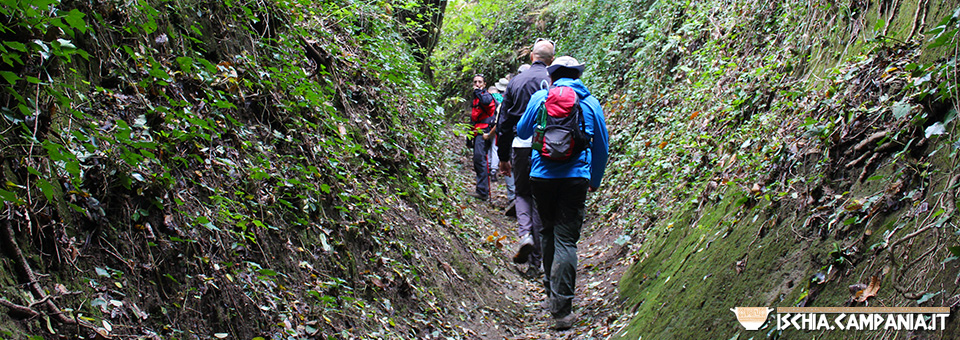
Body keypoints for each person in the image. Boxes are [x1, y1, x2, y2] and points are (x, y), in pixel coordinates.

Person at [516, 55, 608, 331]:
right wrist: (595, 179)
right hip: (575, 179)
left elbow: (521, 131)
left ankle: (549, 289)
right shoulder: (590, 103)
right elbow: (601, 146)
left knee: (547, 231)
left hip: (542, 176)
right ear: (578, 76)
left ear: (552, 75)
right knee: (566, 240)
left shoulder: (541, 98)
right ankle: (562, 309)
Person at [498, 39, 554, 278]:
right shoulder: (556, 81)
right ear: (551, 59)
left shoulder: (516, 82)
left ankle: (525, 235)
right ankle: (536, 263)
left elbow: (505, 123)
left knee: (522, 194)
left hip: (520, 146)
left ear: (532, 56)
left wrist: (502, 156)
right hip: (548, 148)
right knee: (540, 198)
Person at [467, 74, 496, 200]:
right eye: (475, 82)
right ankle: (481, 190)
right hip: (477, 130)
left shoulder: (486, 96)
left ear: (484, 84)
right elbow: (473, 118)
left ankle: (483, 191)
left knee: (480, 159)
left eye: (479, 82)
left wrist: (478, 92)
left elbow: (486, 102)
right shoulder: (476, 98)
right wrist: (468, 137)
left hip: (485, 131)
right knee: (478, 160)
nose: (477, 84)